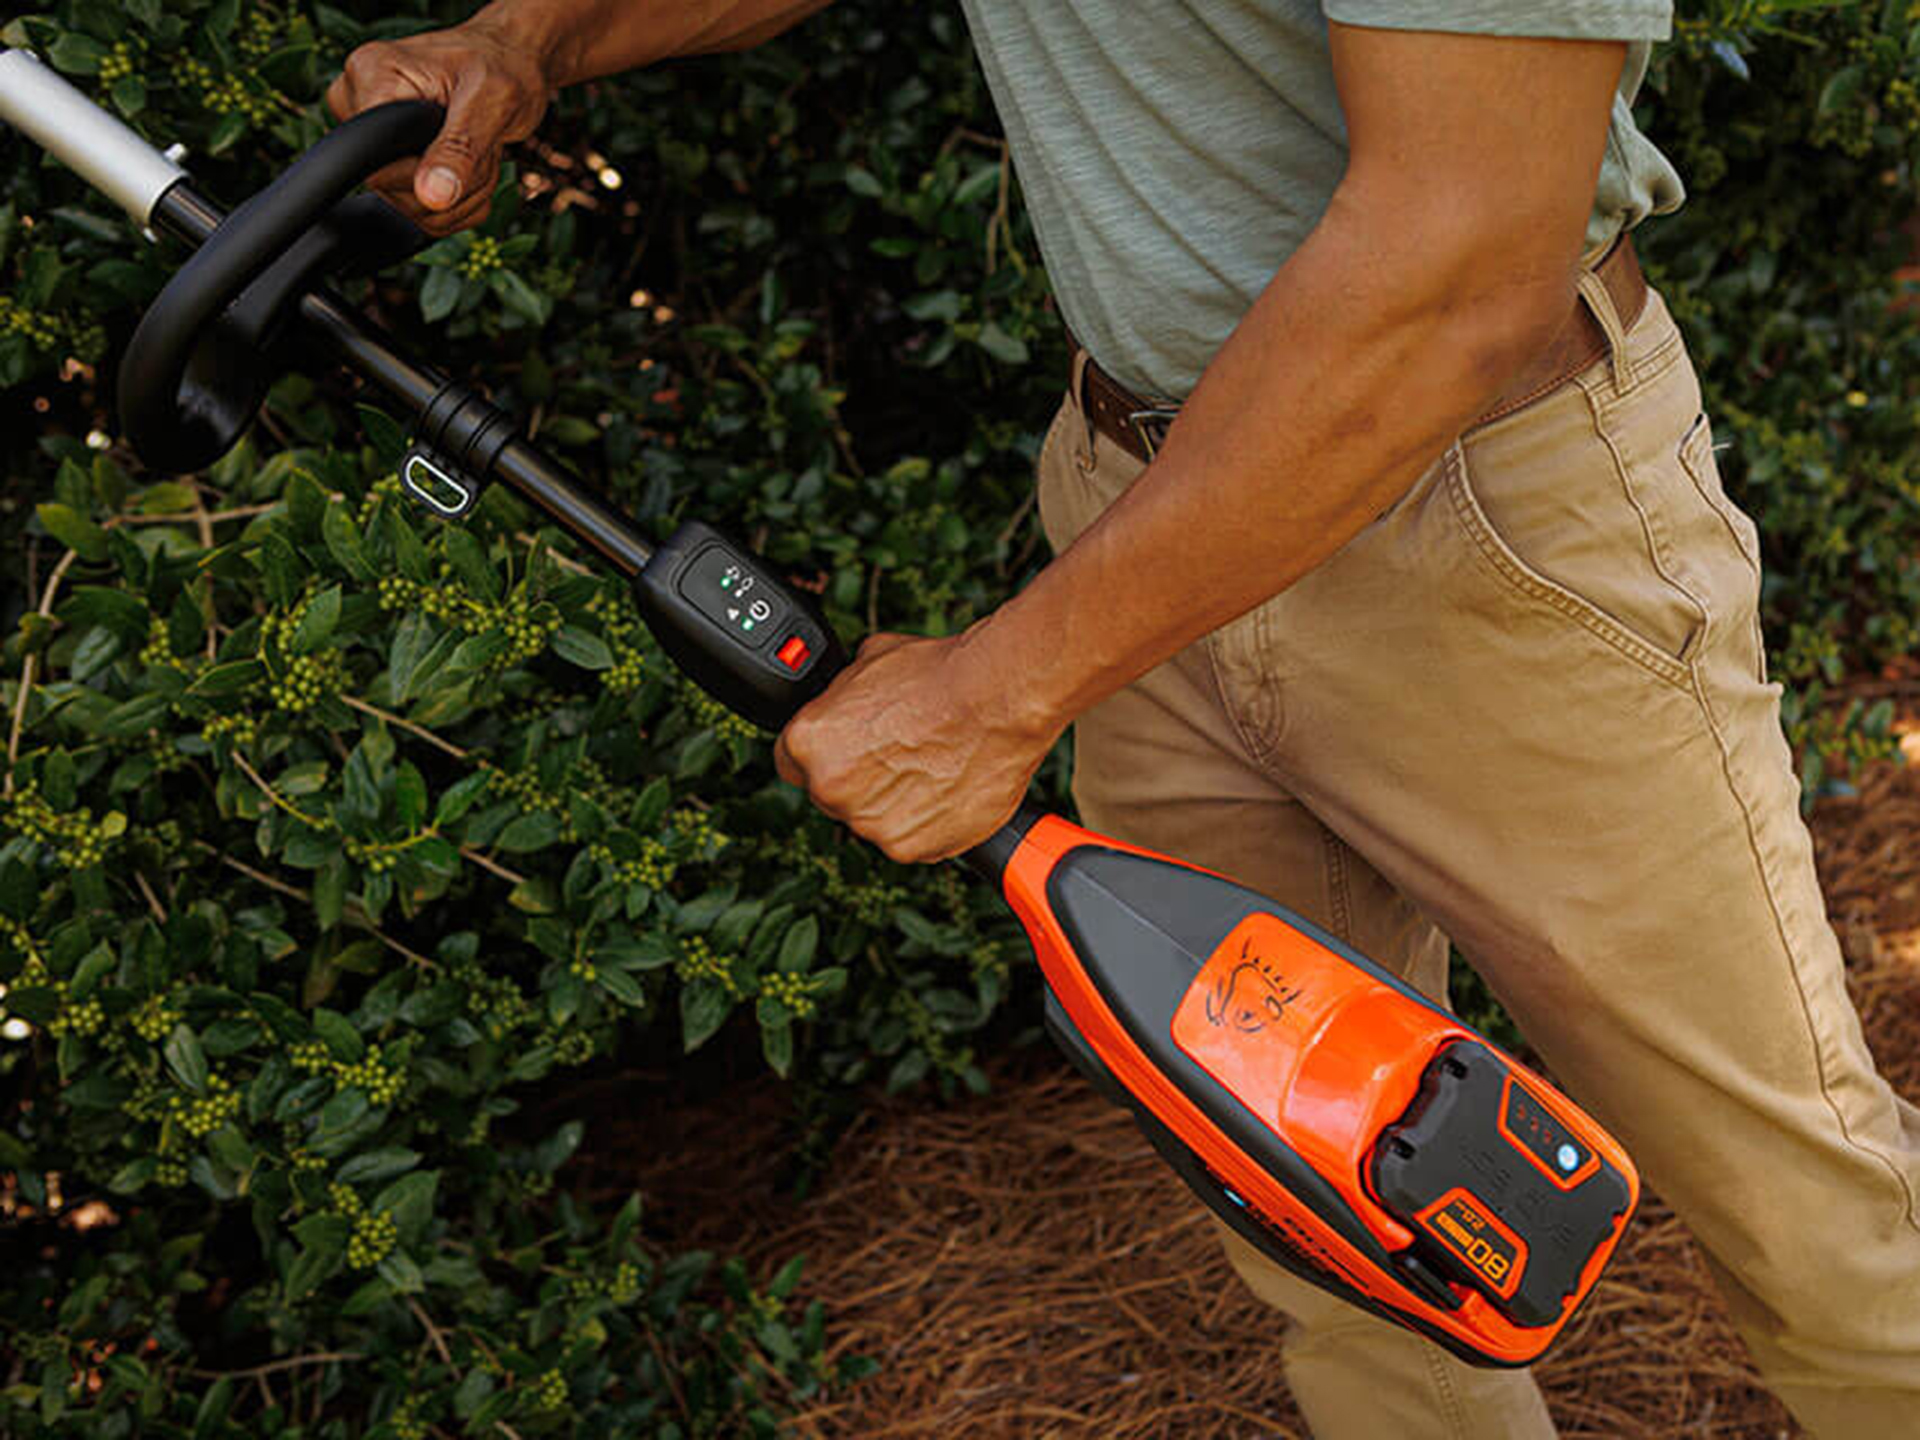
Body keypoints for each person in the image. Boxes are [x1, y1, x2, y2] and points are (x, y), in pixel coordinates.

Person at [329, 3, 1920, 1435]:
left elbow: (1460, 264)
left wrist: (999, 690)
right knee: (1330, 1227)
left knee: (1799, 1209)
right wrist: (532, 37)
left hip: (1482, 516)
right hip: (1143, 502)